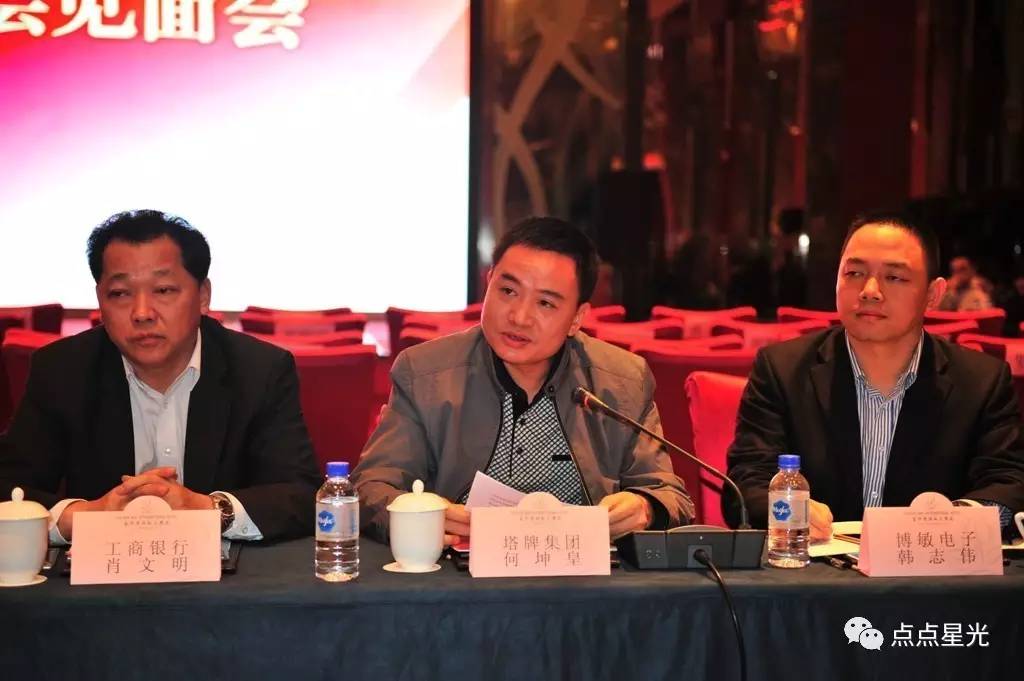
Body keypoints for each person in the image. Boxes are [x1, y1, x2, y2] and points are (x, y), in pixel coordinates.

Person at [352, 217, 693, 545]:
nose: (519, 317)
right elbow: (371, 487)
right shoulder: (425, 373)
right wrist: (420, 515)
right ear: (488, 283)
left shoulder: (622, 380)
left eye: (545, 303)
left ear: (577, 318)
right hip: (458, 573)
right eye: (508, 291)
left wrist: (645, 507)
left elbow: (669, 494)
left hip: (586, 574)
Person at [0, 210, 321, 542]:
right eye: (120, 293)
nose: (142, 313)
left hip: (224, 572)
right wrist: (85, 516)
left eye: (164, 290)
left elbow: (300, 492)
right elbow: (9, 487)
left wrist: (208, 509)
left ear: (203, 296)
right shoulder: (62, 370)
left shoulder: (259, 369)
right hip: (100, 571)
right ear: (100, 299)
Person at [726, 211, 1024, 539]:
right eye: (854, 273)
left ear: (933, 295)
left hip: (930, 567)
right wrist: (786, 507)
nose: (869, 291)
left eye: (894, 277)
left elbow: (1009, 484)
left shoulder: (981, 381)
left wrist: (953, 521)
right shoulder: (782, 370)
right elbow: (745, 483)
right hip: (815, 566)